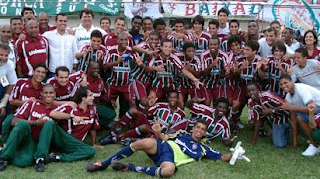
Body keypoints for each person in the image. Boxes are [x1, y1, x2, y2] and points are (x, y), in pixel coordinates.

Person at [86, 119, 232, 177]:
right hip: (163, 146)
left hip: (169, 157)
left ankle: (130, 167)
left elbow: (223, 157)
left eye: (202, 129)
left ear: (205, 132)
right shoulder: (182, 133)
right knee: (142, 143)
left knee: (168, 171)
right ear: (193, 128)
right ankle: (104, 164)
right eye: (198, 127)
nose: (199, 130)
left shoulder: (203, 148)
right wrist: (157, 132)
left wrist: (234, 153)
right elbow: (164, 138)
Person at [0, 85, 58, 171]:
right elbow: (14, 121)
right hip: (27, 134)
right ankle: (4, 158)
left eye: (51, 93)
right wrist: (35, 122)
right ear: (41, 94)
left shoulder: (58, 109)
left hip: (37, 141)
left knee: (24, 162)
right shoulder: (32, 103)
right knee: (22, 123)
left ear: (55, 95)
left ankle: (4, 151)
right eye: (46, 92)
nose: (48, 95)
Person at [279, 74, 320, 156]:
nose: (283, 86)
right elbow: (293, 120)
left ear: (292, 81)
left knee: (300, 117)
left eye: (285, 82)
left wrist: (292, 107)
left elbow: (311, 108)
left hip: (318, 108)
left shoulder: (300, 89)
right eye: (281, 84)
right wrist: (295, 142)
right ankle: (313, 141)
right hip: (313, 112)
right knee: (296, 119)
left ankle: (314, 144)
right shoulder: (288, 97)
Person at [246, 82, 290, 148]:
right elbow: (257, 121)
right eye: (249, 91)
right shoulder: (251, 102)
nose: (251, 93)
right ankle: (281, 129)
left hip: (287, 114)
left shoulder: (267, 95)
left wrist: (271, 110)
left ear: (258, 90)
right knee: (279, 145)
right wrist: (254, 140)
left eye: (253, 90)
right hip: (276, 119)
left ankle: (290, 127)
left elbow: (286, 105)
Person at [201, 37, 228, 106]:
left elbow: (226, 68)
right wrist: (211, 66)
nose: (213, 46)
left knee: (219, 103)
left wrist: (227, 69)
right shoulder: (204, 55)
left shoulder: (223, 55)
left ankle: (216, 116)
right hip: (206, 83)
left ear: (219, 45)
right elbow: (203, 73)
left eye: (215, 44)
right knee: (207, 102)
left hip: (218, 83)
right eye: (211, 44)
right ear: (208, 45)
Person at [0, 44, 17, 131]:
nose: (4, 58)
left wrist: (3, 103)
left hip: (3, 88)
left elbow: (12, 83)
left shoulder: (9, 64)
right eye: (1, 55)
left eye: (6, 55)